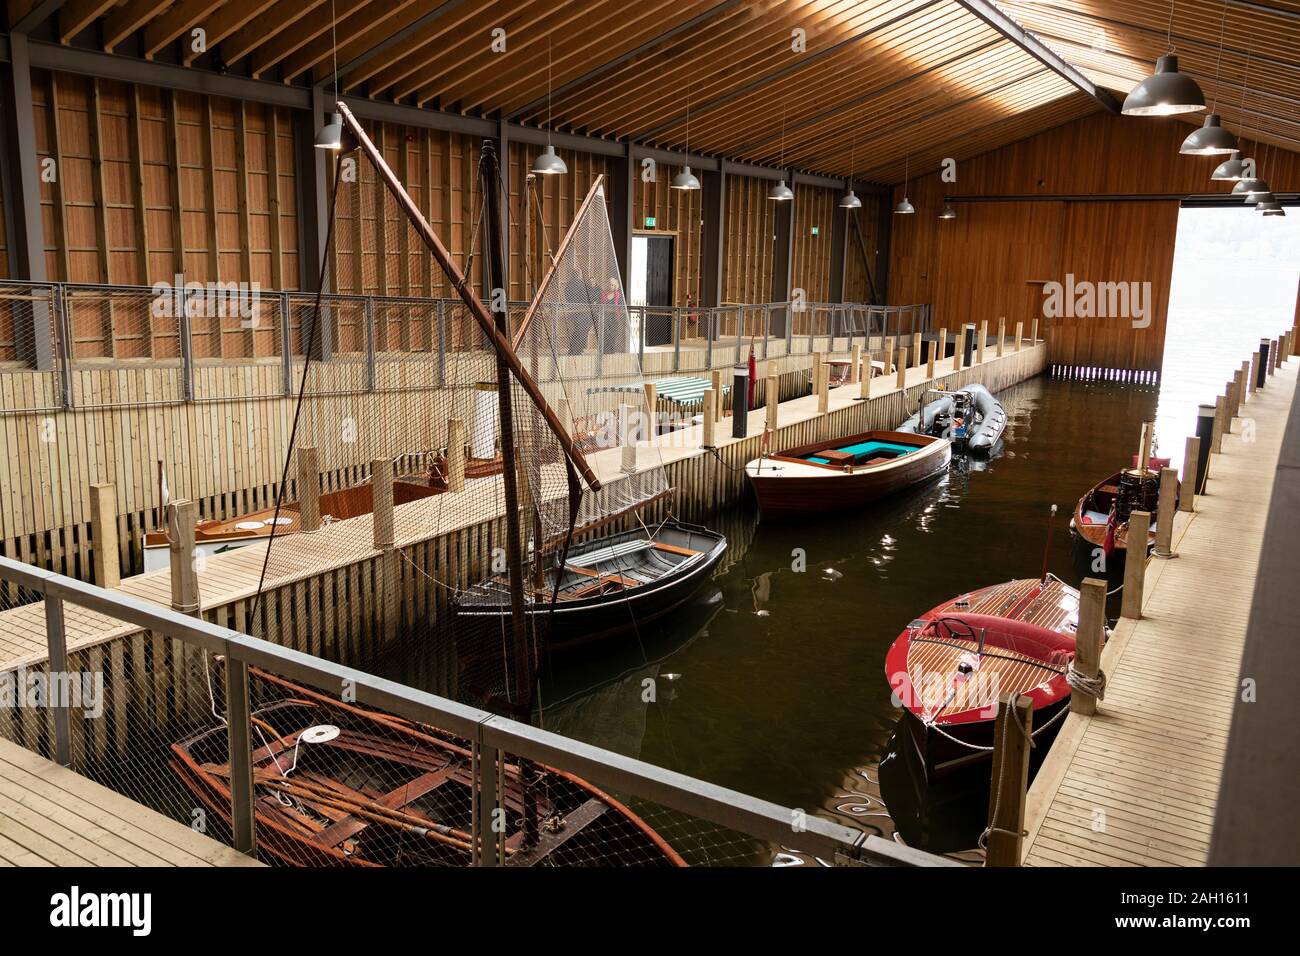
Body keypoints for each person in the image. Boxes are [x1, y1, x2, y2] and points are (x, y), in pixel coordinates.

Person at [599, 277, 626, 353]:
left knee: (613, 336)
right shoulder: (603, 294)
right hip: (605, 319)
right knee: (605, 336)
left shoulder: (618, 295)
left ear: (615, 286)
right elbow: (600, 304)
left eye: (613, 285)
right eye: (610, 284)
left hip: (614, 319)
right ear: (607, 285)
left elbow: (621, 306)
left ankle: (611, 352)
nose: (611, 286)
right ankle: (604, 352)